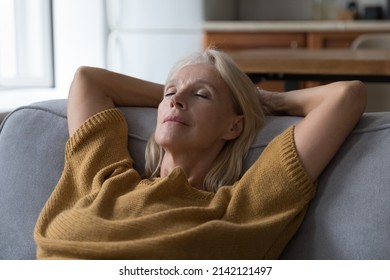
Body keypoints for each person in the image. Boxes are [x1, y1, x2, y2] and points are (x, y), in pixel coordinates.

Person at [34, 48, 366, 259]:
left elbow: (347, 95)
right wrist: (178, 96)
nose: (177, 101)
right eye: (171, 93)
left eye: (201, 96)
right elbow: (89, 80)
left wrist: (257, 101)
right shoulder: (107, 178)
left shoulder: (241, 208)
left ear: (234, 127)